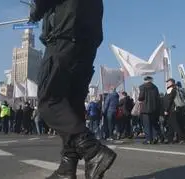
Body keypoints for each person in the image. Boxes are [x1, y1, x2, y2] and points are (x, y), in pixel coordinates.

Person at [28, 0, 117, 178]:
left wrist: (35, 12)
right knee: (71, 108)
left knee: (49, 102)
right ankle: (67, 169)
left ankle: (93, 151)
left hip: (64, 37)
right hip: (88, 44)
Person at [138, 76, 161, 144]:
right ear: (151, 80)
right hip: (154, 109)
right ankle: (155, 137)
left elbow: (141, 97)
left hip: (145, 109)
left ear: (145, 80)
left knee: (147, 125)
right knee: (154, 124)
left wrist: (139, 99)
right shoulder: (155, 87)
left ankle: (148, 139)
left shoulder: (142, 87)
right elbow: (158, 98)